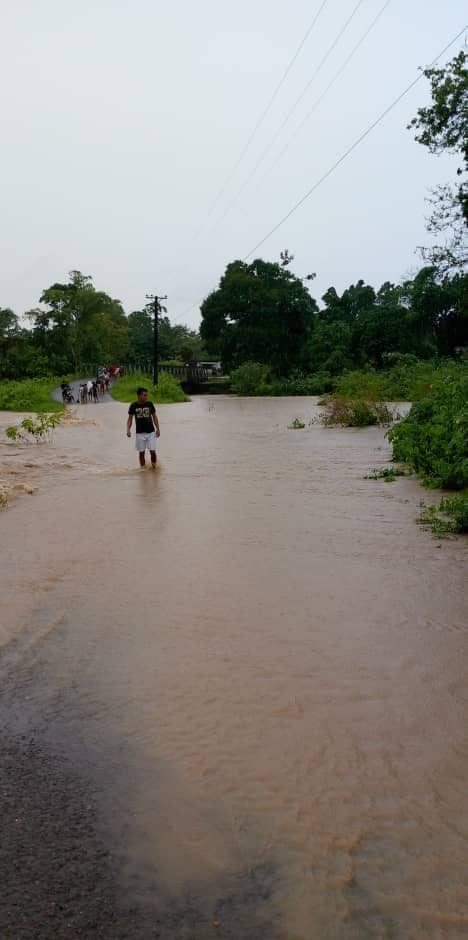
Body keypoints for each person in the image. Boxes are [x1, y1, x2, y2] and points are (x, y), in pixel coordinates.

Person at [126, 387, 160, 468]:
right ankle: (143, 470)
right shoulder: (133, 405)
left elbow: (154, 417)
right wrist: (128, 430)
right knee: (141, 453)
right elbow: (130, 419)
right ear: (138, 395)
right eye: (144, 395)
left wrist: (158, 429)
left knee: (152, 451)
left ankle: (154, 467)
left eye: (146, 395)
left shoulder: (150, 404)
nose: (146, 397)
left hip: (151, 432)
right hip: (140, 433)